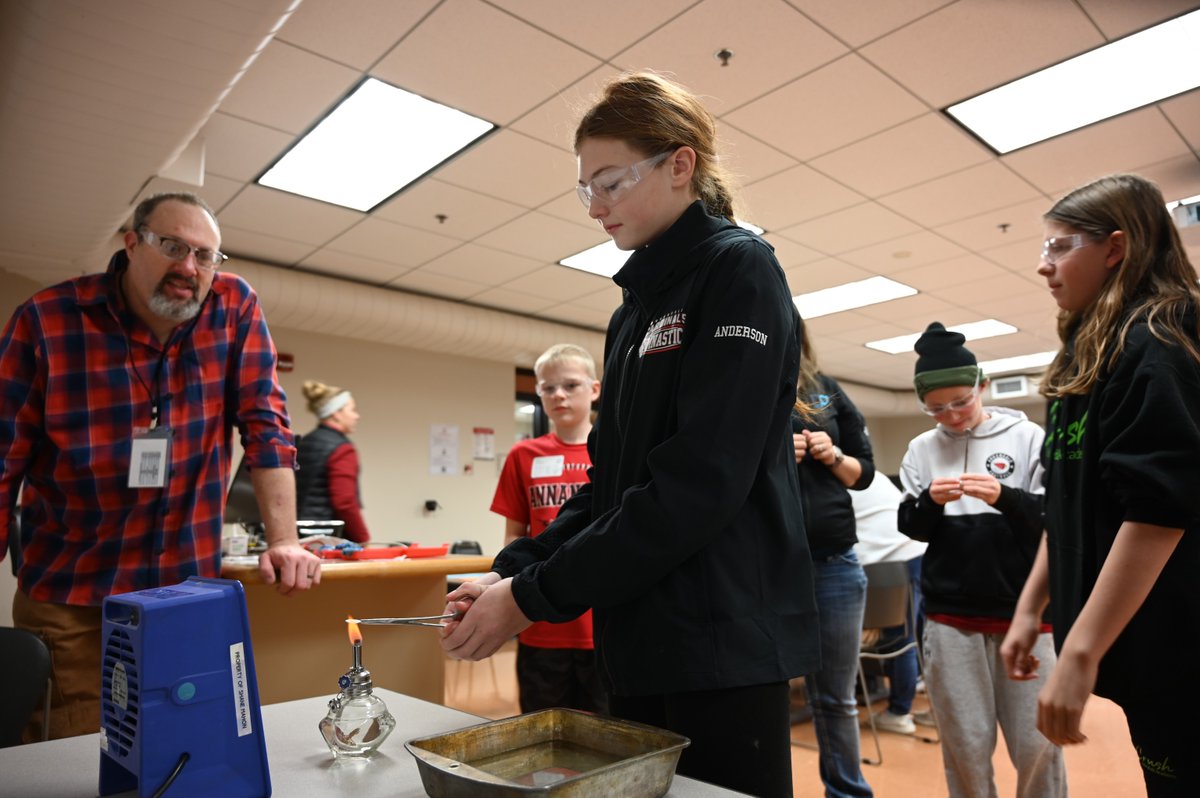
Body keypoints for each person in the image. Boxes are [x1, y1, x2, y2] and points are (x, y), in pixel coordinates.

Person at [440, 70, 818, 798]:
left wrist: (531, 598)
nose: (596, 208)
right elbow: (608, 486)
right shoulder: (632, 311)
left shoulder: (740, 269)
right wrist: (514, 571)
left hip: (723, 638)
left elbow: (699, 482)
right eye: (585, 189)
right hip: (640, 635)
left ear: (681, 166)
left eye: (610, 182)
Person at [0, 191, 320, 740]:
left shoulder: (233, 306)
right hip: (74, 599)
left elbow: (267, 428)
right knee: (80, 760)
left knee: (183, 747)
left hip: (183, 598)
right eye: (172, 246)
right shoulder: (48, 320)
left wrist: (284, 539)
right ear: (131, 244)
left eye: (205, 256)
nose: (189, 268)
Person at [1001, 174, 1200, 797]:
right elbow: (1065, 506)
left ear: (1115, 248)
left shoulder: (1161, 337)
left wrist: (1081, 651)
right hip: (1138, 643)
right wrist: (1032, 609)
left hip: (1182, 644)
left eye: (1060, 247)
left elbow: (1158, 510)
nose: (1044, 265)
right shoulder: (1084, 355)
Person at [898, 322, 1066, 798]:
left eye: (960, 402)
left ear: (982, 386)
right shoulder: (920, 449)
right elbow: (912, 527)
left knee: (1038, 746)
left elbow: (1050, 523)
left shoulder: (1027, 437)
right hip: (952, 621)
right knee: (966, 747)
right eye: (935, 408)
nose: (949, 416)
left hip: (1028, 618)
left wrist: (1005, 498)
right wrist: (930, 501)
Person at [490, 343, 607, 714]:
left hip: (600, 625)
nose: (559, 395)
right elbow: (515, 536)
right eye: (548, 387)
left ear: (594, 389)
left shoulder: (612, 452)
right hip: (539, 621)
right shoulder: (523, 455)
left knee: (606, 739)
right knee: (541, 737)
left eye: (570, 385)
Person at [791, 325, 876, 798]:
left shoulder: (825, 391)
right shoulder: (745, 382)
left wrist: (833, 454)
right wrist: (777, 458)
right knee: (759, 693)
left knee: (835, 698)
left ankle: (847, 793)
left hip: (834, 564)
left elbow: (863, 472)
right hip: (770, 568)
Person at [850, 471, 928, 735]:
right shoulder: (865, 470)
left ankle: (898, 712)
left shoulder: (830, 476)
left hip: (886, 562)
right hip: (915, 552)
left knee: (899, 639)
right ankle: (914, 691)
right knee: (914, 634)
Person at [296, 379, 370, 543]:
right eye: (352, 410)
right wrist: (363, 540)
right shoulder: (342, 449)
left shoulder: (304, 443)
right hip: (329, 540)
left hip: (298, 537)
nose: (357, 416)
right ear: (336, 413)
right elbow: (345, 503)